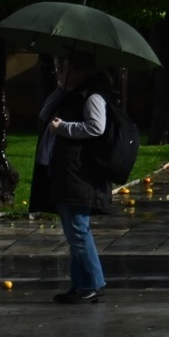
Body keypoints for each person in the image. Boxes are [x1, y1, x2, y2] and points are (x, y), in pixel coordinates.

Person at [30, 52, 112, 304]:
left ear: (79, 72)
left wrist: (63, 127)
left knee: (78, 230)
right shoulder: (69, 95)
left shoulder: (92, 96)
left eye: (65, 69)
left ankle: (92, 283)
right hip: (65, 171)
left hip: (80, 173)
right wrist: (59, 92)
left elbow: (96, 127)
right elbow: (44, 114)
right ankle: (79, 284)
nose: (61, 73)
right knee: (73, 231)